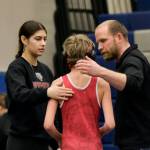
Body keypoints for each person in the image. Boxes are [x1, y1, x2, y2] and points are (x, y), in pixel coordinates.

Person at [75, 20, 150, 150]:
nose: (99, 47)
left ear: (119, 37)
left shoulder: (133, 59)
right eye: (98, 42)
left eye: (103, 41)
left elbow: (132, 82)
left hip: (140, 142)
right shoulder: (126, 60)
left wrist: (99, 71)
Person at [5, 20, 74, 150]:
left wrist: (58, 139)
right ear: (24, 40)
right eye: (38, 39)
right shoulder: (16, 67)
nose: (43, 43)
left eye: (45, 39)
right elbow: (19, 94)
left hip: (43, 141)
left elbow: (54, 108)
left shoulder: (46, 70)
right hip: (21, 140)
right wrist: (47, 92)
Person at [44, 34, 115, 150]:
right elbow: (110, 124)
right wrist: (96, 135)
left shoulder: (58, 83)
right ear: (89, 56)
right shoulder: (102, 84)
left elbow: (48, 125)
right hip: (93, 145)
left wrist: (61, 139)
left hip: (69, 145)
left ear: (67, 56)